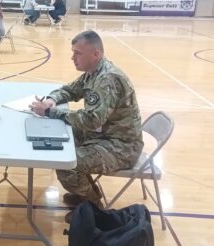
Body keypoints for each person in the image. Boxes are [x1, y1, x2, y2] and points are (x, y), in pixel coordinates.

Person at [29, 31, 144, 223]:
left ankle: (93, 206)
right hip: (105, 135)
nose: (73, 57)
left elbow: (92, 120)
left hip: (122, 146)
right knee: (58, 141)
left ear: (96, 54)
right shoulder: (94, 72)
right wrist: (51, 100)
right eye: (73, 52)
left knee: (66, 163)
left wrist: (50, 112)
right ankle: (83, 191)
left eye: (78, 53)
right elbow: (70, 90)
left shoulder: (107, 79)